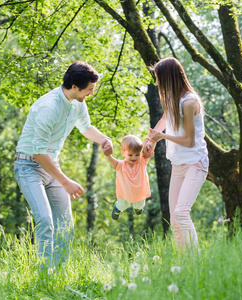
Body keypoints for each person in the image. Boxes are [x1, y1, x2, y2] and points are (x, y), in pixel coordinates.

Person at [14, 61, 113, 269]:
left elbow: (85, 127)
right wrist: (66, 182)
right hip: (28, 166)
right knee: (45, 220)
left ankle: (59, 275)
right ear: (75, 87)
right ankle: (45, 276)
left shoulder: (78, 103)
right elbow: (38, 153)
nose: (91, 94)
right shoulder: (48, 107)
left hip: (52, 165)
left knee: (65, 225)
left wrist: (104, 139)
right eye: (89, 89)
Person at [145, 57, 209, 251]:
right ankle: (185, 264)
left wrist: (162, 137)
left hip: (195, 163)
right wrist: (151, 140)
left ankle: (195, 262)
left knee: (182, 212)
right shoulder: (172, 98)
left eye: (158, 78)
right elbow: (166, 117)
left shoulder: (189, 102)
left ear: (168, 78)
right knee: (174, 218)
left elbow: (189, 141)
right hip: (178, 164)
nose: (156, 83)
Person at [104, 135, 152, 220]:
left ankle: (138, 208)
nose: (134, 158)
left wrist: (150, 144)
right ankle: (117, 209)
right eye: (130, 155)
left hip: (139, 193)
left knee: (140, 204)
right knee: (122, 204)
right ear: (123, 153)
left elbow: (149, 151)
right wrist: (108, 155)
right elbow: (113, 162)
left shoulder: (142, 162)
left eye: (137, 155)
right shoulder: (120, 165)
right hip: (125, 194)